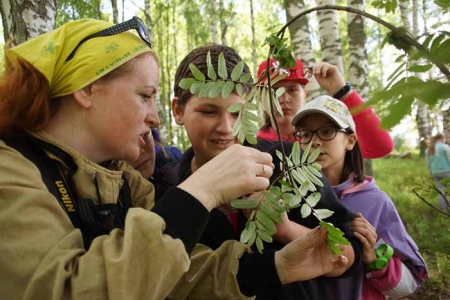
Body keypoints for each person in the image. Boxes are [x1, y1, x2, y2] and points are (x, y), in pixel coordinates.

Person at [0, 17, 350, 300]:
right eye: (144, 96)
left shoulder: (124, 182)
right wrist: (202, 191)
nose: (154, 119)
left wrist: (276, 268)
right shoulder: (12, 169)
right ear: (87, 89)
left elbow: (179, 274)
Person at [152, 44, 363, 300]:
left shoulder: (288, 162)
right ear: (178, 111)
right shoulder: (167, 188)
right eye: (208, 111)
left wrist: (285, 229)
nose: (226, 128)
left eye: (237, 112)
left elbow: (349, 254)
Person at [286, 95, 429, 299]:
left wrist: (373, 259)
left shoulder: (376, 202)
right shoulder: (291, 196)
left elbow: (410, 284)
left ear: (350, 140)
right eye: (305, 134)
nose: (314, 142)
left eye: (327, 131)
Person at [256, 58, 394, 159]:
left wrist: (342, 91)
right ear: (261, 97)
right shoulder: (252, 144)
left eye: (292, 90)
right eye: (274, 91)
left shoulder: (325, 138)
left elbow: (381, 147)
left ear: (305, 93)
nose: (284, 99)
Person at [425, 133, 450, 211]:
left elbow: (428, 163)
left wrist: (431, 172)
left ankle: (443, 210)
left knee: (441, 191)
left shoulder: (428, 149)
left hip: (435, 173)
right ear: (442, 139)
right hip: (447, 171)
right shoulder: (445, 147)